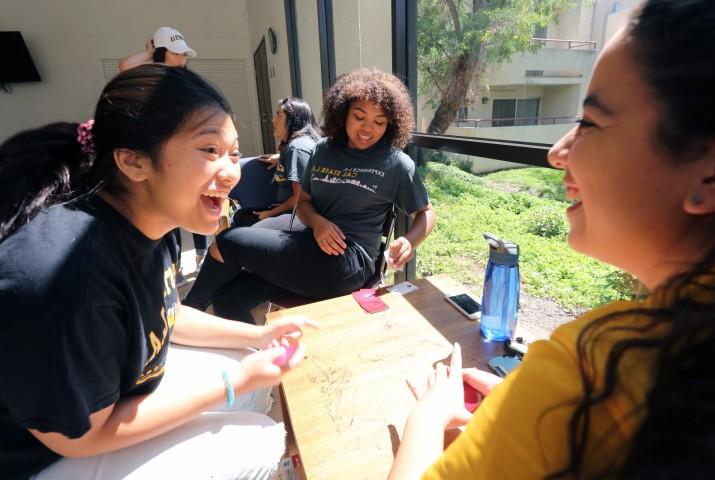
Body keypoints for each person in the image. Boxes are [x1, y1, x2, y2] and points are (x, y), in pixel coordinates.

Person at [388, 0, 715, 478]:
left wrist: (426, 418)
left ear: (711, 173)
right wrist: (523, 412)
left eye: (590, 122)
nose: (557, 151)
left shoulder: (590, 371)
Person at [0, 64, 317, 480]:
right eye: (209, 150)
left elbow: (165, 311)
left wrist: (259, 335)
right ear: (134, 162)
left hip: (112, 402)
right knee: (258, 439)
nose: (232, 173)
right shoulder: (69, 277)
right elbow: (80, 436)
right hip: (44, 459)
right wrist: (233, 382)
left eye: (233, 152)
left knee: (255, 370)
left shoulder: (153, 219)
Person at [185, 68, 436, 323]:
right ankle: (257, 353)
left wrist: (409, 241)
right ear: (343, 112)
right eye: (359, 117)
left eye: (379, 122)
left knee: (229, 241)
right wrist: (318, 223)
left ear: (391, 124)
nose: (367, 128)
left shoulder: (396, 164)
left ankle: (183, 317)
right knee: (230, 297)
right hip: (308, 249)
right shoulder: (324, 150)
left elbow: (425, 213)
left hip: (348, 263)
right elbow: (303, 202)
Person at [118, 26, 209, 280]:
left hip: (188, 153)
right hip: (162, 155)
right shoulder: (152, 77)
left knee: (196, 200)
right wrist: (148, 53)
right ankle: (176, 265)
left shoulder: (187, 82)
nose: (182, 58)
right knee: (169, 210)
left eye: (184, 54)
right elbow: (125, 66)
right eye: (176, 53)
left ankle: (202, 255)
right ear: (161, 51)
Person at [232, 97, 321, 230]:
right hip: (291, 212)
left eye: (279, 115)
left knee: (247, 231)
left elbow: (299, 200)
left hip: (300, 216)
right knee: (241, 216)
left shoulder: (296, 148)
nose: (273, 120)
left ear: (292, 119)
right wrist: (281, 159)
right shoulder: (299, 145)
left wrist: (269, 214)